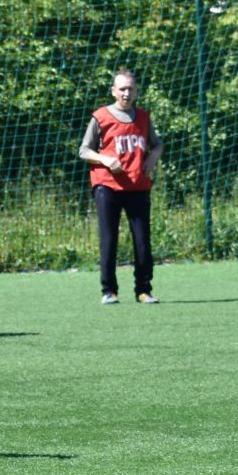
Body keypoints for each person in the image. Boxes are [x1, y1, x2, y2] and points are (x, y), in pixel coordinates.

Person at [78, 69, 162, 305]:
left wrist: (152, 158)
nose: (126, 93)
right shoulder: (101, 117)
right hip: (107, 186)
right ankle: (109, 290)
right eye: (122, 88)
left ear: (136, 91)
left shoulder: (144, 118)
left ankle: (143, 290)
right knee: (109, 238)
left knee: (142, 240)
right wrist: (104, 159)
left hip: (138, 186)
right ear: (113, 91)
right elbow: (84, 150)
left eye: (130, 88)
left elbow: (157, 145)